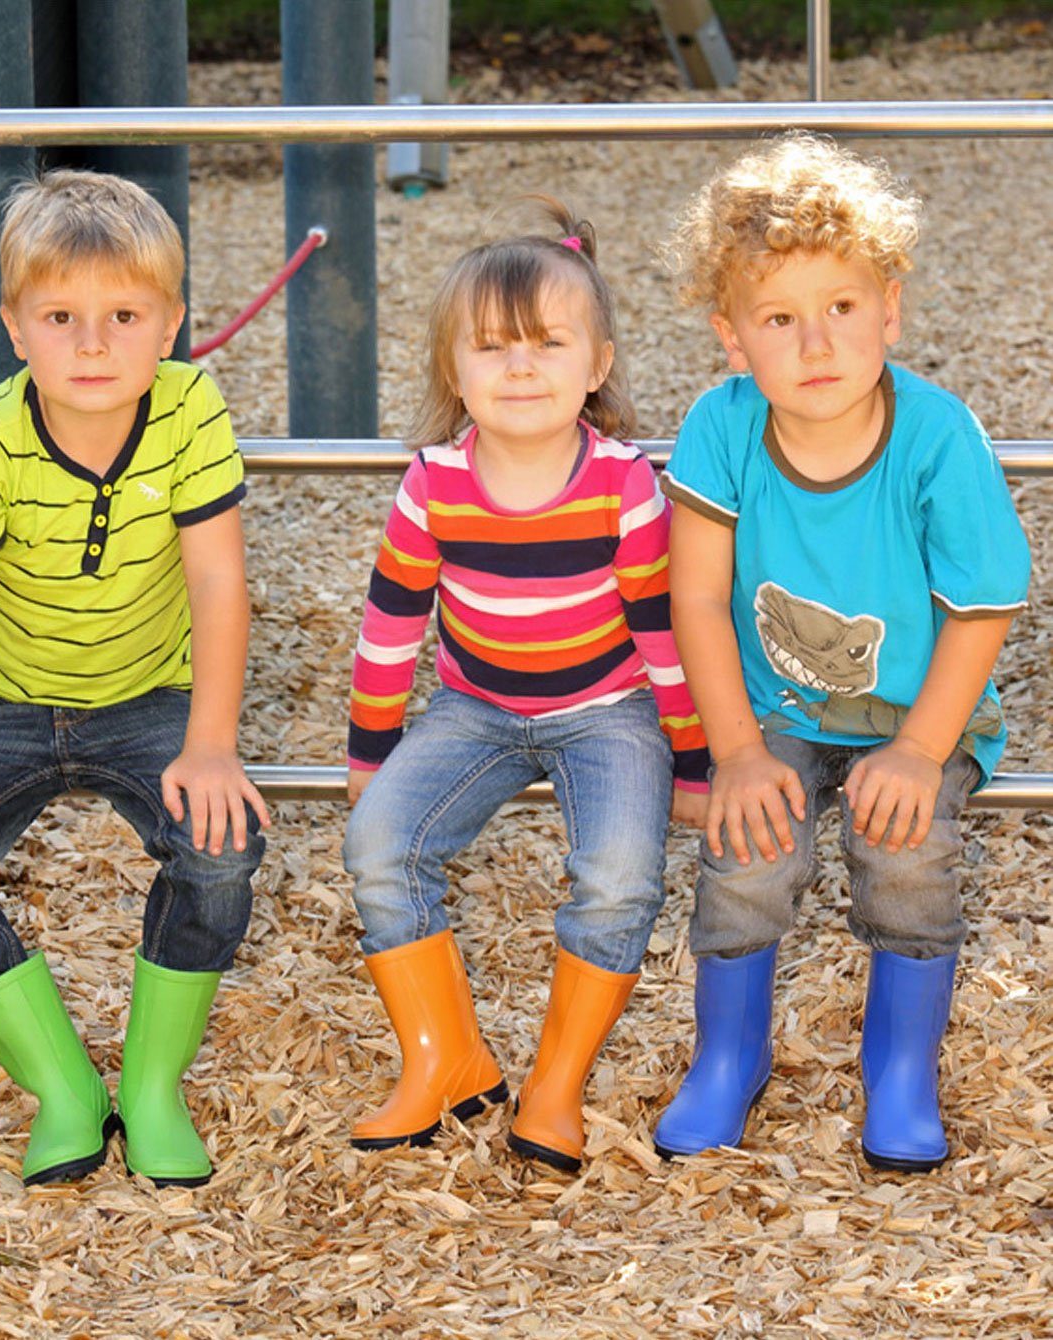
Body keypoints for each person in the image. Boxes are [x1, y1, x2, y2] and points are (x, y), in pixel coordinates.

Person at [0, 169, 269, 1189]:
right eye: (60, 318)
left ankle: (154, 1082)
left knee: (222, 845)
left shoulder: (189, 412)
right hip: (6, 700)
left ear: (171, 324)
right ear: (14, 328)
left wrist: (211, 743)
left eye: (123, 316)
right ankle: (62, 1084)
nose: (92, 345)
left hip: (147, 698)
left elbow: (219, 583)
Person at [652, 134, 1031, 1171]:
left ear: (890, 310)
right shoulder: (721, 428)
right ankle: (728, 1056)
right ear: (733, 338)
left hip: (919, 708)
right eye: (779, 318)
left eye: (843, 306)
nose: (816, 342)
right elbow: (697, 596)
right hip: (775, 706)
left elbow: (981, 609)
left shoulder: (938, 437)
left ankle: (899, 1069)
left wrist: (918, 750)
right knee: (748, 847)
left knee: (905, 851)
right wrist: (736, 752)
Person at [342, 200, 709, 1171]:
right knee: (380, 843)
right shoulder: (433, 484)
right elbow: (390, 629)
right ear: (453, 371)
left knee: (619, 873)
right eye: (492, 346)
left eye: (548, 343)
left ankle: (556, 1083)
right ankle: (446, 1059)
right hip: (477, 707)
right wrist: (371, 756)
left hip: (610, 707)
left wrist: (695, 757)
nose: (519, 366)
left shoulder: (624, 484)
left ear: (597, 366)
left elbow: (663, 633)